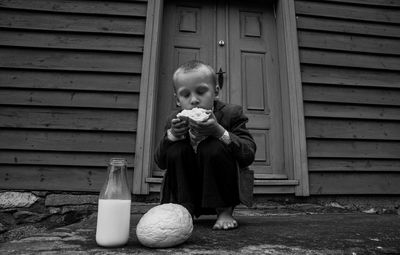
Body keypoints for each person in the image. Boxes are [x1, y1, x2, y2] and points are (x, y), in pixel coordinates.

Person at [154, 60, 256, 230]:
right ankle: (184, 211)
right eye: (185, 95)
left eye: (201, 92)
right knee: (177, 148)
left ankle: (224, 212)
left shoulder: (231, 114)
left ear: (215, 92)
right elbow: (160, 162)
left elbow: (248, 154)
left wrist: (219, 131)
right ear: (178, 100)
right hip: (187, 190)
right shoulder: (174, 120)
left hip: (221, 188)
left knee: (213, 146)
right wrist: (171, 136)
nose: (194, 100)